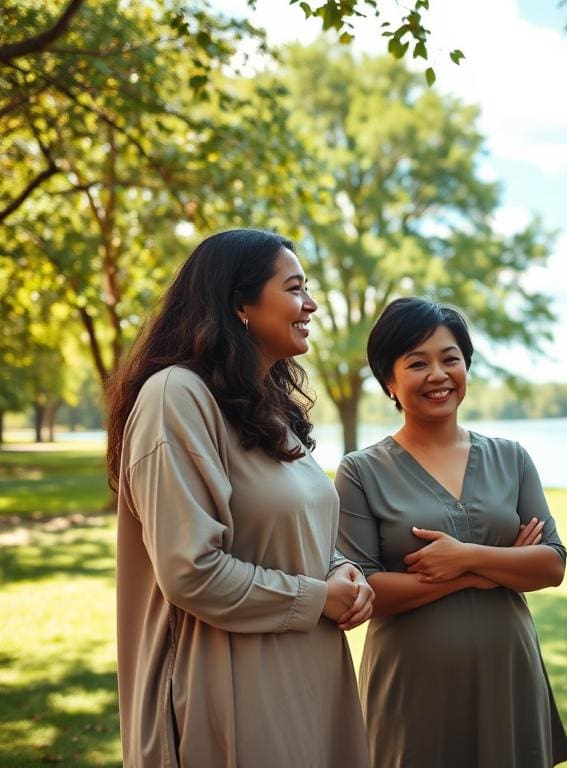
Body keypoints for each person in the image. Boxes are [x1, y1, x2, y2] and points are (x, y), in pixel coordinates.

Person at [107, 229, 373, 767]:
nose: (311, 304)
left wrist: (343, 568)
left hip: (309, 677)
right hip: (227, 688)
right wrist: (315, 598)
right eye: (295, 288)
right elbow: (191, 570)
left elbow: (296, 527)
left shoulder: (266, 404)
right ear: (239, 303)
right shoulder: (175, 397)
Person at [334, 296, 567, 768]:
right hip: (413, 686)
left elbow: (550, 564)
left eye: (450, 359)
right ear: (390, 382)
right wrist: (488, 570)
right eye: (417, 363)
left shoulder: (512, 457)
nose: (439, 375)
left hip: (508, 676)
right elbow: (364, 592)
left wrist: (465, 557)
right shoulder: (361, 472)